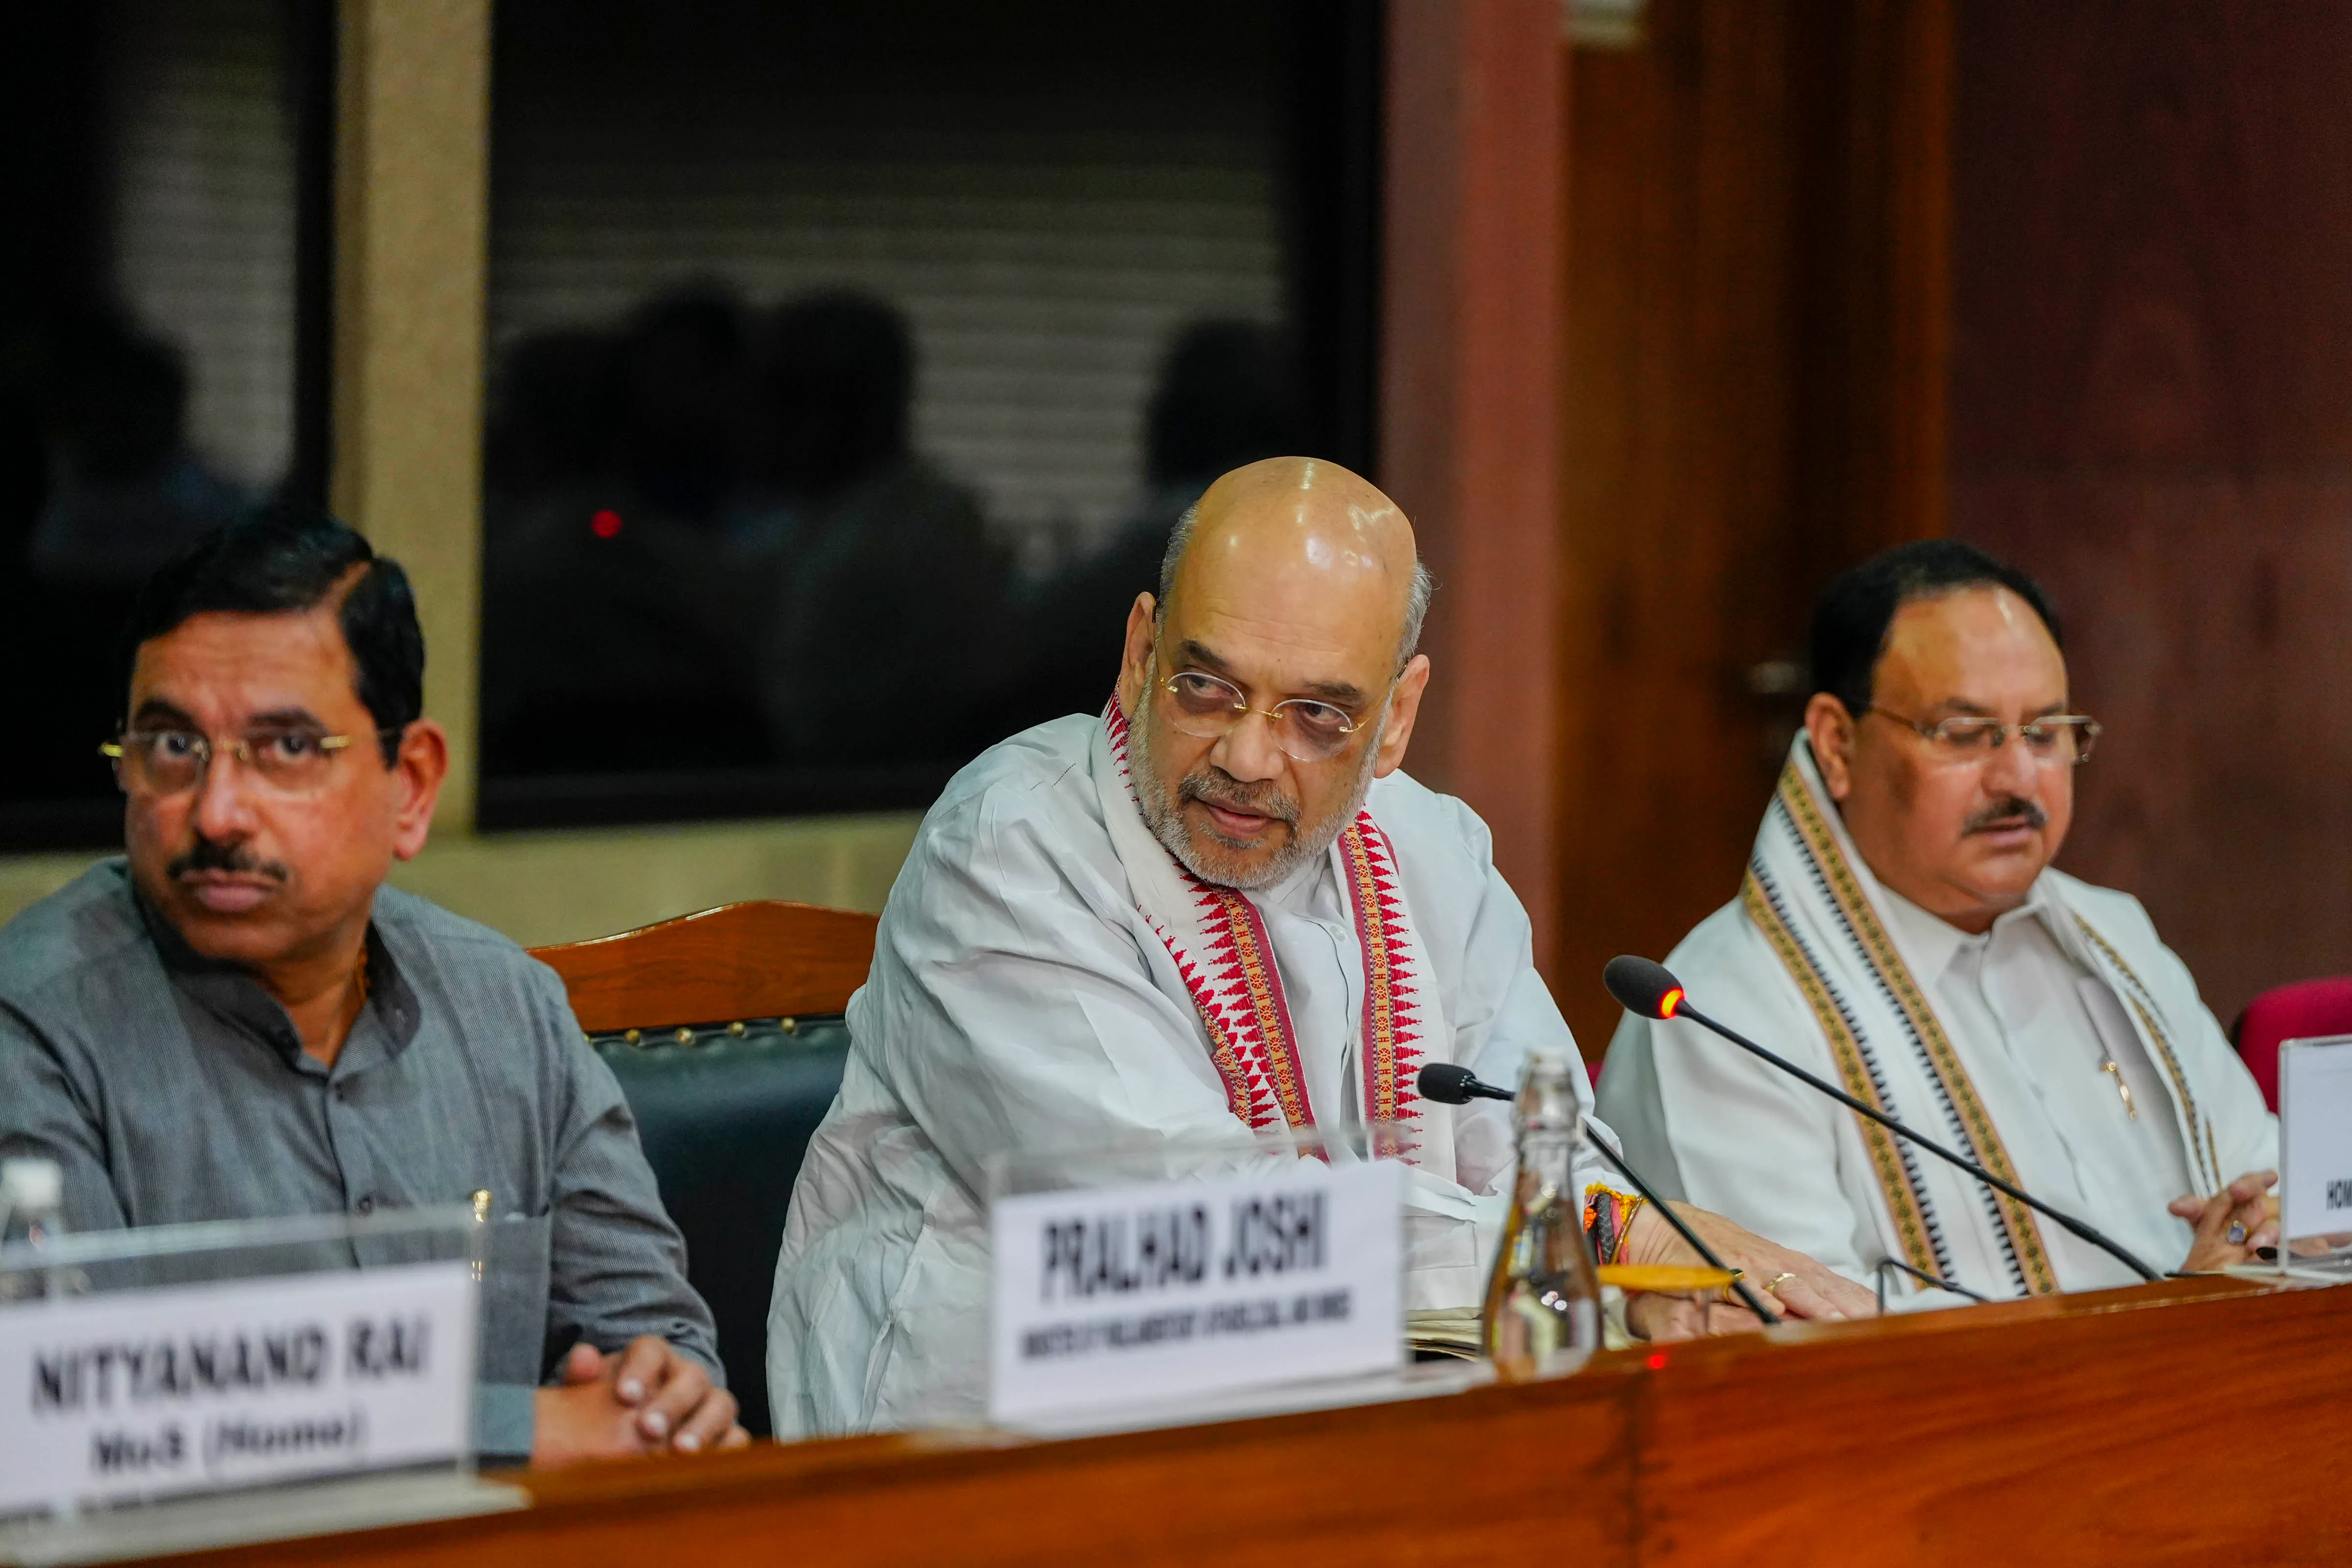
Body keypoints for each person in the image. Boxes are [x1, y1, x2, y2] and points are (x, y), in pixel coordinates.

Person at [768, 455, 1872, 1437]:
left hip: (1366, 1428)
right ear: (1140, 650)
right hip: (1013, 1453)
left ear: (1396, 717)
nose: (1249, 754)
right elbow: (1196, 1235)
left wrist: (1647, 1269)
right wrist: (1605, 1243)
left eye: (1317, 717)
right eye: (1208, 685)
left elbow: (1544, 1154)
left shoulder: (1433, 848)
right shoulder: (1008, 845)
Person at [0, 512, 747, 1465]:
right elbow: (70, 1419)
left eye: (285, 749)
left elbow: (664, 1345)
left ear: (413, 783)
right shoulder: (36, 1025)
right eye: (173, 747)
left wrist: (661, 1400)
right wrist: (524, 1430)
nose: (216, 811)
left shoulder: (506, 1006)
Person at [1597, 540, 2278, 1305]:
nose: (2019, 778)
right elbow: (1803, 1339)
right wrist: (2181, 1313)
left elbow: (2263, 1188)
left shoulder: (2115, 937)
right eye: (1964, 734)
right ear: (1837, 743)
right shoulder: (1725, 1013)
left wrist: (2265, 1240)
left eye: (2046, 732)